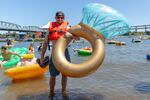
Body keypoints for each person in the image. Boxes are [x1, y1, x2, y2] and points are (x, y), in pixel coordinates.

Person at [40, 11, 78, 97]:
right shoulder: (50, 28)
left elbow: (78, 38)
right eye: (58, 17)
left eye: (61, 17)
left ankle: (64, 92)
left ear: (63, 18)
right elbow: (45, 43)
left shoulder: (67, 27)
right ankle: (51, 92)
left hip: (65, 52)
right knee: (52, 75)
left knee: (65, 74)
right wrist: (42, 56)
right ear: (55, 18)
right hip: (54, 52)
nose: (60, 19)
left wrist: (71, 35)